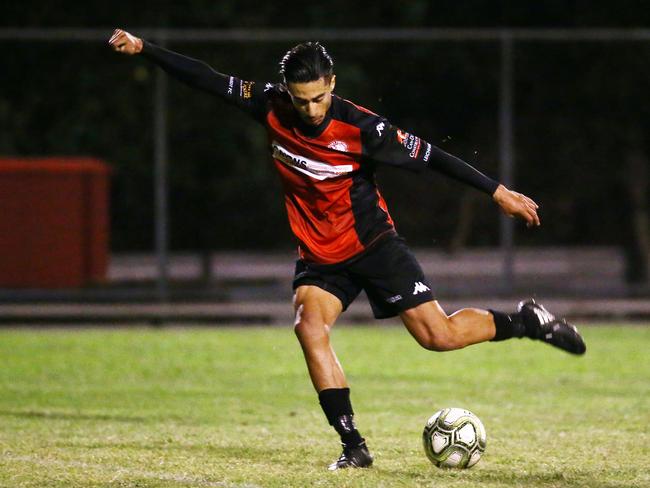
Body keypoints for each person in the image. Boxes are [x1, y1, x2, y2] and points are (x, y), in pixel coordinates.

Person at [109, 29, 586, 471]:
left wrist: (497, 192)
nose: (312, 109)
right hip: (320, 256)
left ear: (332, 84)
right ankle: (352, 445)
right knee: (308, 326)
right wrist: (146, 49)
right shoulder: (270, 105)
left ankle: (528, 321)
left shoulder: (363, 128)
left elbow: (432, 157)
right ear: (287, 92)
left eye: (319, 97)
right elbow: (207, 79)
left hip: (374, 245)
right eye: (302, 100)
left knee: (437, 337)